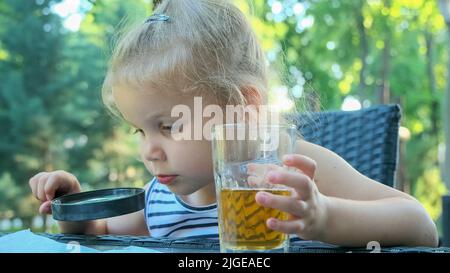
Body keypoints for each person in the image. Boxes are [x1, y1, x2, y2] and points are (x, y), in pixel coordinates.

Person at [29, 0, 438, 247]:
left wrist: (325, 215)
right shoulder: (160, 199)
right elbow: (99, 233)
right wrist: (73, 204)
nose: (148, 151)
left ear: (244, 106)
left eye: (168, 126)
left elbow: (421, 226)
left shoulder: (287, 167)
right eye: (141, 130)